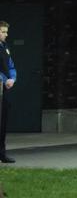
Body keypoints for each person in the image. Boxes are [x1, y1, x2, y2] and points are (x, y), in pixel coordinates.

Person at [0, 20, 16, 164]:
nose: (6, 34)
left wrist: (12, 78)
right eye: (3, 31)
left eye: (6, 31)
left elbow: (11, 65)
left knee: (2, 122)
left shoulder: (5, 47)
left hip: (4, 89)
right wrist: (4, 79)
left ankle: (2, 153)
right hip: (1, 84)